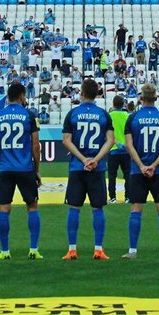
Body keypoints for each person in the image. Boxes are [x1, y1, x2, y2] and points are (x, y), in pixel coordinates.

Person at [60, 78, 114, 260]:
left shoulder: (73, 114)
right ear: (97, 94)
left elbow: (66, 140)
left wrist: (83, 159)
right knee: (97, 208)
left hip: (77, 166)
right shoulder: (103, 114)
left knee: (74, 208)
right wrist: (95, 160)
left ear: (82, 93)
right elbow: (111, 140)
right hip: (97, 168)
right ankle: (98, 249)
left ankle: (72, 249)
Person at [0, 82, 41, 260]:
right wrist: (37, 170)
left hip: (5, 168)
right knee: (32, 207)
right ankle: (33, 249)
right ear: (21, 95)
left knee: (4, 208)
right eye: (25, 96)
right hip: (25, 168)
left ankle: (5, 251)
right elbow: (36, 146)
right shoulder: (28, 115)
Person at [123, 84, 159, 259]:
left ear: (141, 98)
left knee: (136, 209)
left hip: (138, 171)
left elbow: (129, 145)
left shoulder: (133, 118)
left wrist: (142, 166)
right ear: (156, 98)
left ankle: (132, 251)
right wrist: (153, 166)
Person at [106, 95, 131, 203]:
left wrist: (116, 142)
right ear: (123, 104)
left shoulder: (109, 116)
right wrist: (125, 144)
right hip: (126, 150)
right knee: (128, 175)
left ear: (113, 104)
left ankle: (112, 198)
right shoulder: (127, 116)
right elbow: (131, 132)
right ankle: (128, 197)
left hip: (113, 149)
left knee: (112, 176)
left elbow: (107, 133)